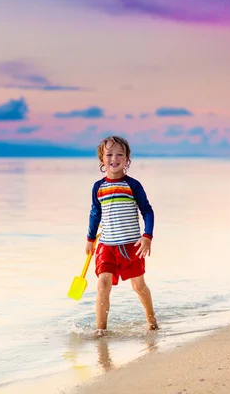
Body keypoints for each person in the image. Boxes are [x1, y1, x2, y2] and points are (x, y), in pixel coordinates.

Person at [85, 135, 158, 334]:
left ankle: (151, 320)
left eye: (120, 154)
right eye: (109, 154)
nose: (114, 158)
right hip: (106, 246)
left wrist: (147, 236)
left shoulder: (132, 185)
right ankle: (101, 331)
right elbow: (95, 213)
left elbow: (147, 210)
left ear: (127, 160)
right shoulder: (98, 187)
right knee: (103, 284)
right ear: (102, 159)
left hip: (131, 246)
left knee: (139, 286)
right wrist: (90, 238)